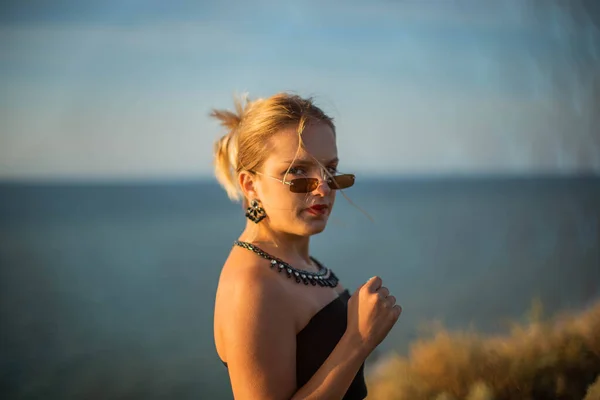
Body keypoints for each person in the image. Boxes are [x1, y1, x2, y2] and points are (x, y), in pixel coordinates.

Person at [211, 92, 402, 400]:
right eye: (298, 171)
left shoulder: (295, 260)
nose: (324, 187)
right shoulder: (252, 285)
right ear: (250, 185)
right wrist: (359, 340)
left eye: (330, 169)